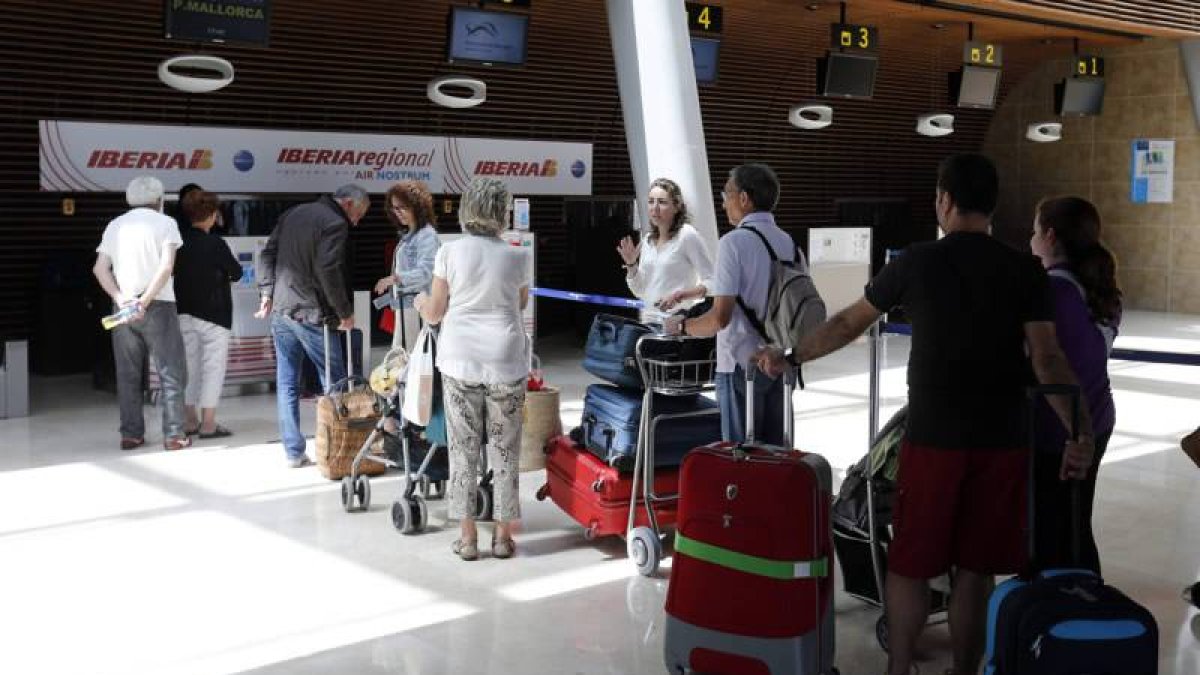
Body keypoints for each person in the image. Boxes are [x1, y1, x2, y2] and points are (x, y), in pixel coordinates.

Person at [754, 154, 1096, 675]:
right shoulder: (1023, 270)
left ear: (944, 201)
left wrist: (792, 355)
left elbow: (849, 322)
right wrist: (1081, 430)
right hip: (1001, 438)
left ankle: (899, 669)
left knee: (911, 565)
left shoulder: (916, 262)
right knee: (977, 569)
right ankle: (962, 669)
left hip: (934, 436)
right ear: (993, 205)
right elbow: (1048, 357)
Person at [415, 177, 530, 561]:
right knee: (505, 450)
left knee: (463, 451)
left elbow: (435, 311)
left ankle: (467, 540)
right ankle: (502, 538)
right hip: (506, 359)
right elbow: (521, 304)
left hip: (460, 358)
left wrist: (418, 302)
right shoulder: (517, 255)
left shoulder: (450, 252)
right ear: (501, 211)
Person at [663, 163, 798, 447]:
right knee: (777, 455)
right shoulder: (790, 244)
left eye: (726, 194)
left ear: (744, 199)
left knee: (740, 459)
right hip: (780, 364)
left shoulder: (733, 243)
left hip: (741, 366)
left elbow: (719, 319)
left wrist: (682, 326)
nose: (723, 204)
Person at [1029, 196, 1122, 574]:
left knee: (1050, 532)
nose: (1030, 239)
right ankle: (1086, 602)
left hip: (1062, 429)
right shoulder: (1100, 289)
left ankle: (1055, 615)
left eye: (1034, 231)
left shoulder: (1051, 291)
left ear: (1050, 236)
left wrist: (1074, 434)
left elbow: (1050, 363)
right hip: (1098, 417)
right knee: (1076, 522)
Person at [256, 184, 370, 468]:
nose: (356, 222)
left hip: (281, 311)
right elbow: (327, 269)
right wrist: (344, 311)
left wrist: (266, 292)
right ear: (346, 204)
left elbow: (266, 254)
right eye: (358, 215)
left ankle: (294, 452)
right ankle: (340, 450)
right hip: (312, 314)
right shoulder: (334, 223)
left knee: (287, 383)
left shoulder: (293, 213)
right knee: (335, 382)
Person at [92, 176, 191, 451]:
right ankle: (174, 435)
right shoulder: (166, 224)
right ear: (159, 201)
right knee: (171, 371)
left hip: (123, 309)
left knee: (128, 374)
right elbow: (166, 267)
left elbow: (100, 269)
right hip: (158, 304)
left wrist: (122, 299)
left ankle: (131, 434)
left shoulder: (115, 225)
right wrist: (144, 301)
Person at [174, 189, 243, 439]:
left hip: (184, 312)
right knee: (213, 367)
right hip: (215, 315)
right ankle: (209, 423)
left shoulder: (178, 242)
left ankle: (190, 419)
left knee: (190, 367)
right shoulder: (215, 244)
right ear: (213, 215)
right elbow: (236, 272)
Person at [616, 177, 714, 324]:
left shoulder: (687, 235)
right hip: (648, 323)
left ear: (677, 207)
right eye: (651, 201)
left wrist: (681, 295)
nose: (654, 208)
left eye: (662, 202)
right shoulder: (648, 239)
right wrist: (631, 265)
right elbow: (640, 291)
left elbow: (712, 282)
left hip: (677, 325)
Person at [374, 180, 441, 351]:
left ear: (417, 207)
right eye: (395, 208)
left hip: (417, 308)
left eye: (402, 207)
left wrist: (394, 279)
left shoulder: (426, 236)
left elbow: (426, 273)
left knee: (412, 361)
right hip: (407, 307)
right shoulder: (411, 234)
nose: (398, 213)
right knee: (405, 359)